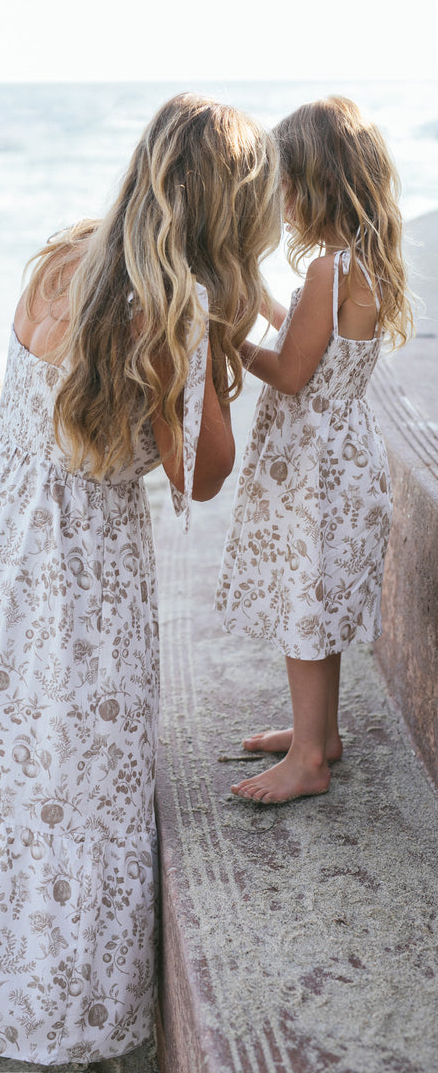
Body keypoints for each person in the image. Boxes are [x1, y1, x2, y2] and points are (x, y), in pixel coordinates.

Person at [0, 92, 281, 1066]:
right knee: (82, 772)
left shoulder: (66, 253)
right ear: (229, 213)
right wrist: (217, 351)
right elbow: (203, 474)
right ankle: (62, 1013)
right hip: (77, 563)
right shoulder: (172, 318)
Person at [216, 96, 414, 806]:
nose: (282, 202)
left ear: (314, 182)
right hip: (341, 457)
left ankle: (307, 762)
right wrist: (264, 306)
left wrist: (223, 336)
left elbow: (292, 372)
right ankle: (319, 735)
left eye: (286, 185)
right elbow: (313, 338)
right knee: (318, 600)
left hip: (314, 468)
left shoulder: (331, 269)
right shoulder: (361, 262)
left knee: (305, 604)